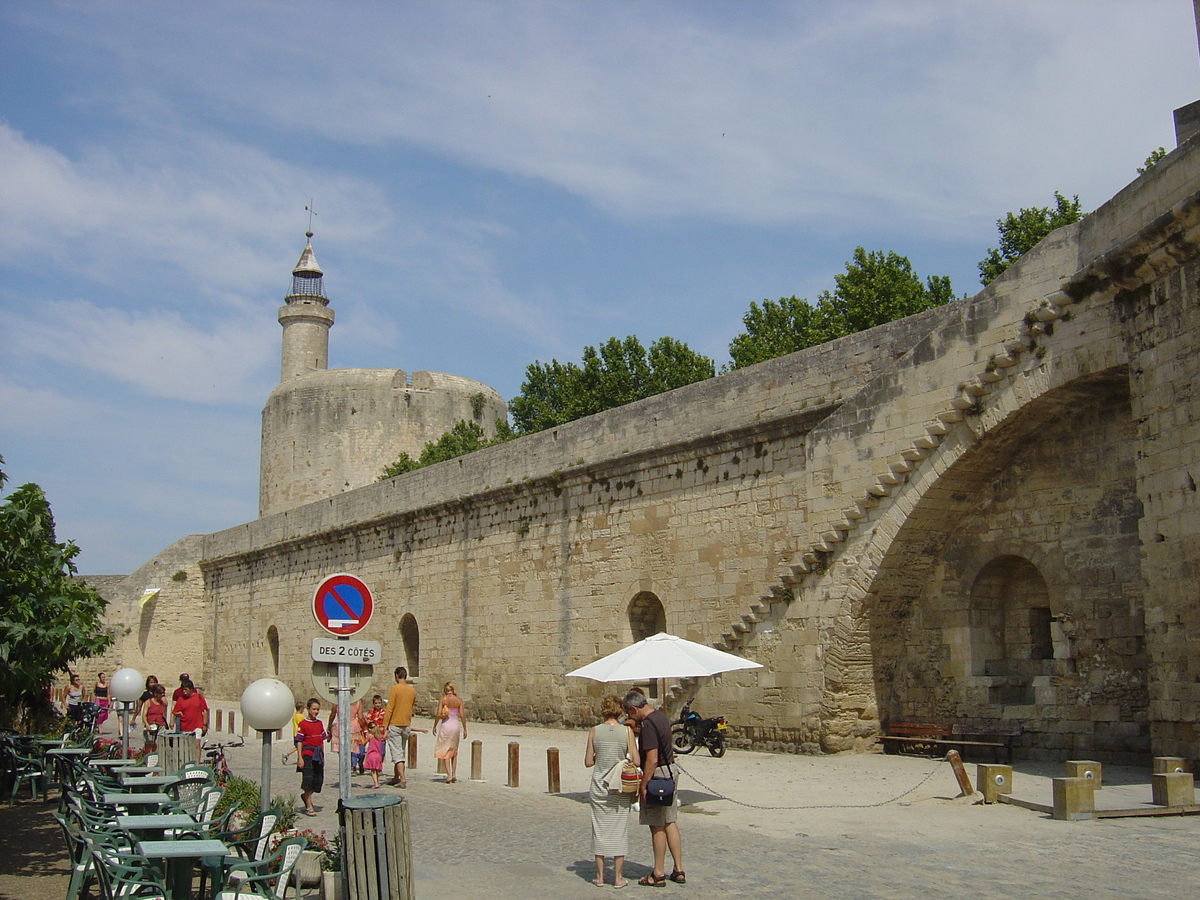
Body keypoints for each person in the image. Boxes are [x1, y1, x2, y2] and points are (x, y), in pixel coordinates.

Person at [623, 690, 684, 887]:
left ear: (633, 708)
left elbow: (652, 758)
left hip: (657, 776)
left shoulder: (648, 725)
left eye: (629, 714)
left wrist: (643, 784)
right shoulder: (660, 717)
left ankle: (658, 873)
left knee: (656, 825)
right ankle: (678, 869)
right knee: (670, 821)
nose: (629, 717)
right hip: (670, 772)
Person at [584, 695, 640, 887]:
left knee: (599, 830)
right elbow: (637, 760)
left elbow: (588, 762)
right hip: (619, 787)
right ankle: (617, 878)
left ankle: (599, 877)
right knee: (619, 831)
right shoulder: (626, 732)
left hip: (599, 787)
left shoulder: (594, 731)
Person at [382, 667, 416, 788]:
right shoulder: (412, 690)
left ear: (396, 676)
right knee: (400, 751)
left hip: (395, 723)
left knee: (397, 754)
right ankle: (396, 776)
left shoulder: (394, 689)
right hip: (406, 724)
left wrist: (384, 725)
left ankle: (402, 779)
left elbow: (390, 708)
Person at [295, 697, 327, 816]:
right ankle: (309, 805)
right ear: (308, 709)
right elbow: (299, 741)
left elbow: (321, 740)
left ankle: (305, 796)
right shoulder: (303, 724)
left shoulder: (319, 723)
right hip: (307, 755)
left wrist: (323, 756)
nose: (316, 712)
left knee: (318, 781)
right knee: (308, 779)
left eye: (317, 709)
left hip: (318, 755)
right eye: (314, 709)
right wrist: (300, 758)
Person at [432, 682, 467, 783]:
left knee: (445, 749)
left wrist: (434, 726)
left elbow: (438, 714)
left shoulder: (443, 699)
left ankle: (449, 775)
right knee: (454, 750)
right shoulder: (459, 700)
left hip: (446, 725)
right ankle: (454, 773)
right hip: (455, 725)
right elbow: (462, 715)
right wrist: (465, 728)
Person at [171, 678, 209, 758]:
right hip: (185, 726)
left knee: (197, 745)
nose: (184, 691)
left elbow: (205, 711)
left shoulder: (199, 697)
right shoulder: (181, 699)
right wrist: (178, 714)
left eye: (185, 689)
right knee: (186, 746)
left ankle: (197, 763)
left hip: (197, 725)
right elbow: (175, 711)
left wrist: (205, 724)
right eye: (183, 690)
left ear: (191, 689)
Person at [142, 684, 168, 750]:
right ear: (155, 693)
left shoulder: (162, 702)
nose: (162, 694)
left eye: (163, 693)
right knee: (149, 744)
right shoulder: (148, 702)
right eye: (160, 693)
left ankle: (156, 758)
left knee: (158, 744)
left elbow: (165, 707)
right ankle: (149, 758)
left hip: (160, 725)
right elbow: (144, 715)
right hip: (151, 724)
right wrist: (147, 725)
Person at [281, 701, 305, 768]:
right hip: (299, 734)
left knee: (297, 747)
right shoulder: (300, 717)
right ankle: (287, 754)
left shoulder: (294, 716)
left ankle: (289, 755)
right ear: (301, 709)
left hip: (294, 733)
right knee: (299, 747)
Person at [363, 724, 386, 789]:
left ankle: (376, 784)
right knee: (376, 770)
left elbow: (364, 743)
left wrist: (362, 737)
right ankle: (377, 782)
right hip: (378, 755)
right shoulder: (379, 736)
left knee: (373, 771)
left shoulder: (370, 736)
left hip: (372, 754)